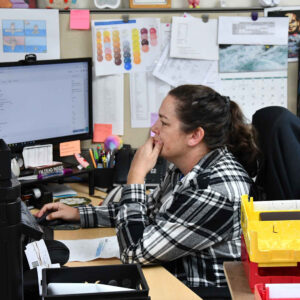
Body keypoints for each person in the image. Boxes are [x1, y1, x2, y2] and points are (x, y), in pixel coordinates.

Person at [36, 85, 259, 299]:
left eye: (163, 122)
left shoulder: (214, 189)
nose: (154, 129)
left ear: (195, 136)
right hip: (172, 276)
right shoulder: (187, 168)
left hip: (195, 291)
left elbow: (134, 253)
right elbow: (148, 212)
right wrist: (80, 214)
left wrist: (136, 177)